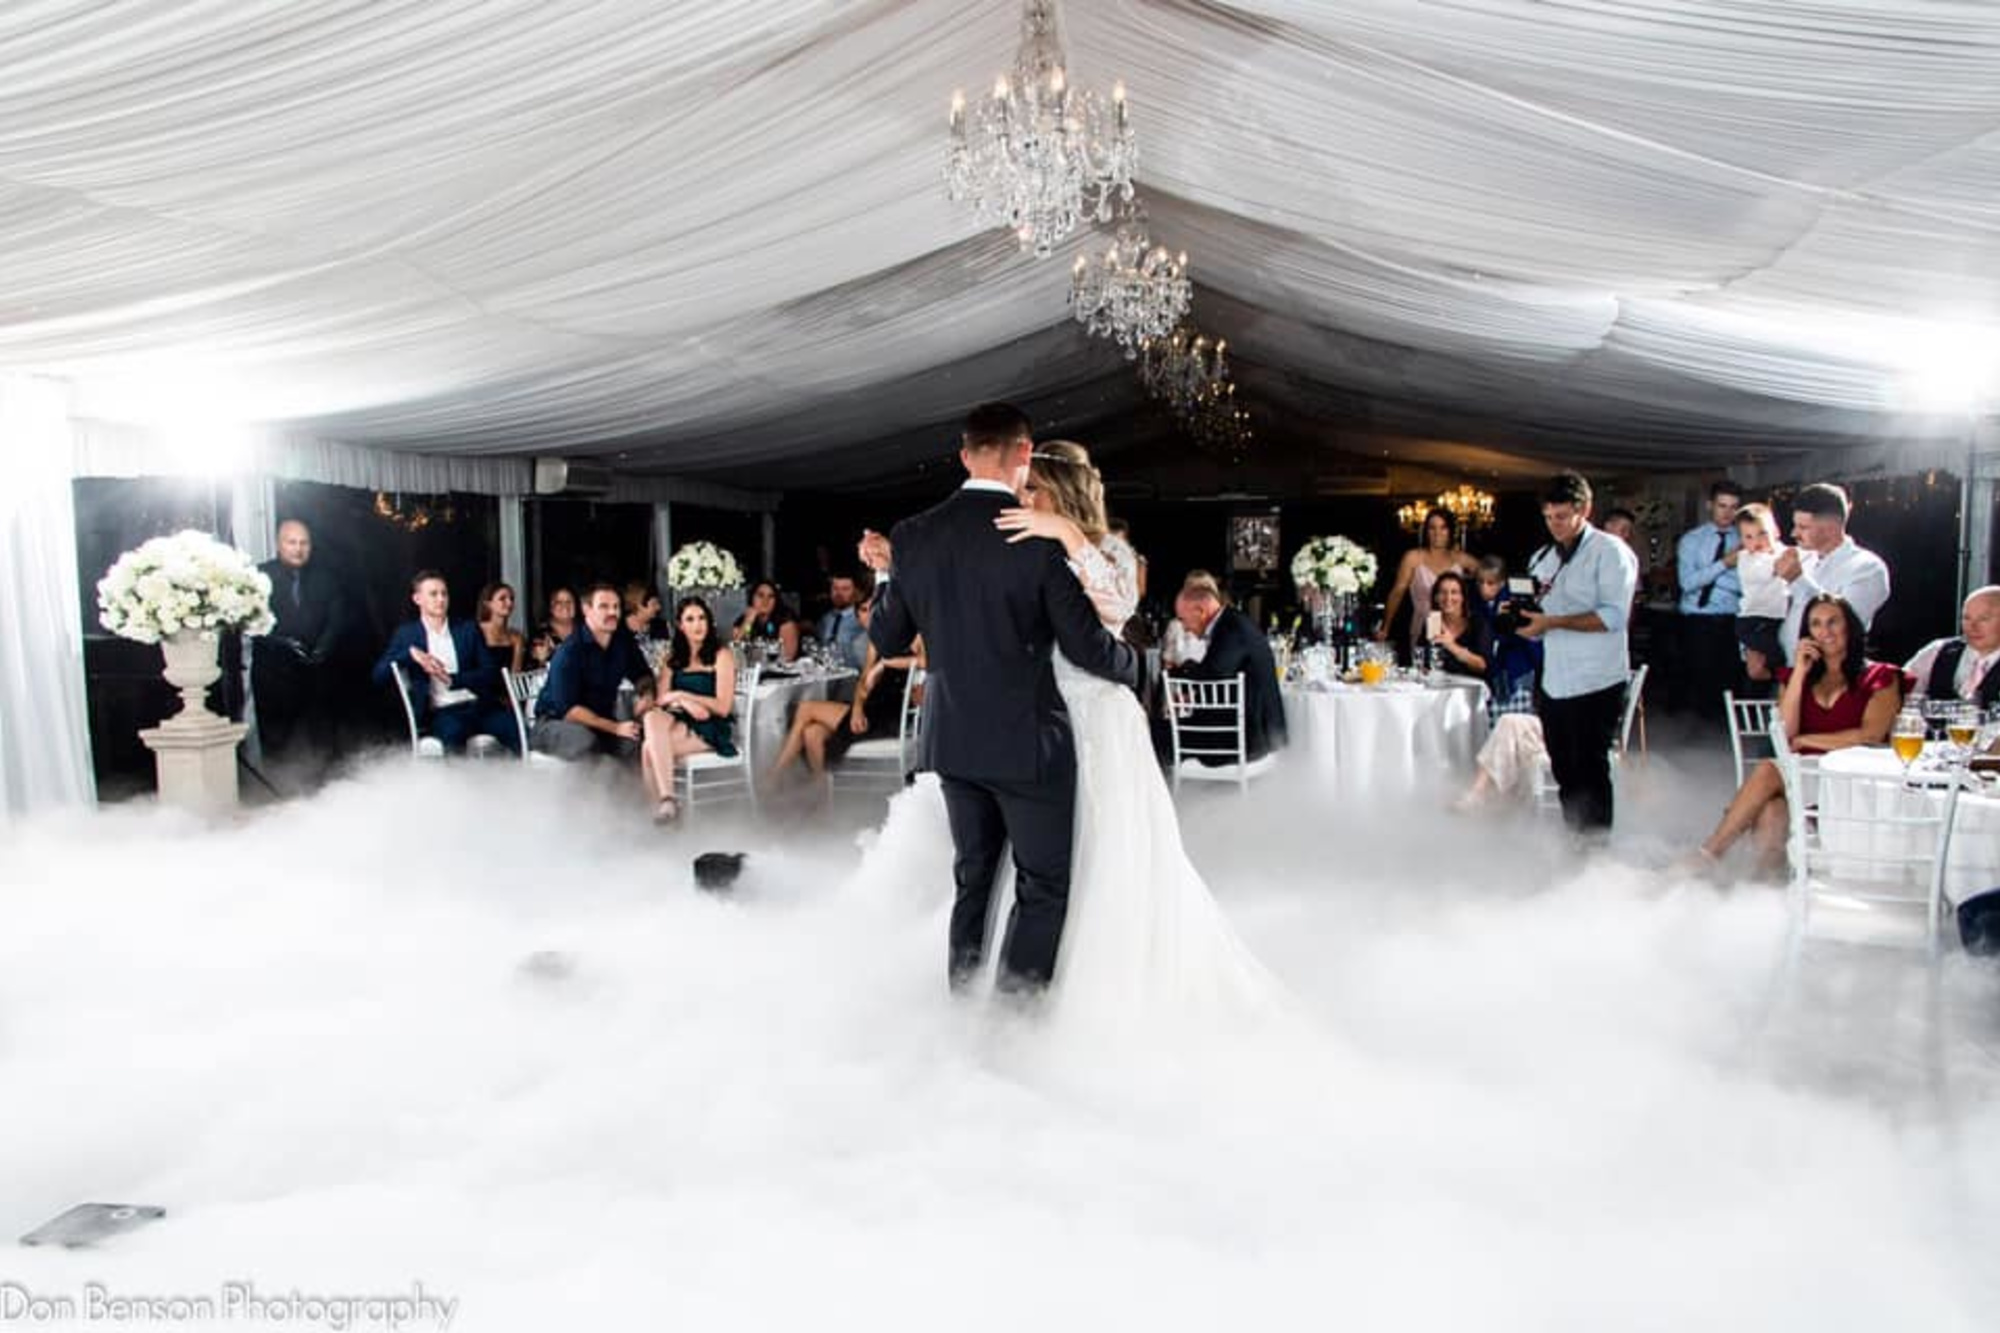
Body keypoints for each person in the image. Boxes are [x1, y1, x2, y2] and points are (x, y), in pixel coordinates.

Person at [856, 404, 1139, 994]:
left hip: (952, 740)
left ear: (965, 455)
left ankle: (962, 1004)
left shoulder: (913, 534)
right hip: (1027, 743)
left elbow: (887, 638)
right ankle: (1014, 1017)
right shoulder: (1035, 536)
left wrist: (885, 576)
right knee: (1042, 886)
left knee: (973, 878)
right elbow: (1087, 647)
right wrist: (1137, 668)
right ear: (1024, 453)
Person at [1689, 595, 1905, 878]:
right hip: (1801, 776)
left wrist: (1806, 741)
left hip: (1849, 775)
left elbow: (1871, 735)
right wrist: (1801, 672)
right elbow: (1785, 733)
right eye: (1816, 624)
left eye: (1833, 622)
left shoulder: (1880, 676)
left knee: (1769, 769)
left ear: (1850, 627)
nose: (1825, 631)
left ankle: (1708, 855)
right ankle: (1765, 888)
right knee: (1772, 811)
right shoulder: (1796, 677)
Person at [1516, 471, 1640, 836]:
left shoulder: (1611, 552)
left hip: (1598, 677)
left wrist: (1552, 622)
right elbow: (1538, 612)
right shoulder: (1541, 558)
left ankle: (1597, 851)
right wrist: (1525, 620)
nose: (1554, 525)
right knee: (1563, 767)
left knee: (1590, 767)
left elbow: (1614, 617)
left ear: (1584, 509)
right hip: (1556, 677)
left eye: (1561, 517)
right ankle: (1574, 841)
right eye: (1548, 517)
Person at [767, 593, 922, 787]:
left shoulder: (912, 634)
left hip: (890, 714)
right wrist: (857, 708)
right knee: (812, 733)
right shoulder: (876, 639)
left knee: (806, 709)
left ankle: (773, 777)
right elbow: (863, 680)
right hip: (870, 707)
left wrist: (886, 663)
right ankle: (821, 794)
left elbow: (927, 661)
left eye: (874, 609)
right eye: (864, 610)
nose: (870, 615)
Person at [371, 571, 520, 754]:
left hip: (480, 706)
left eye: (444, 593)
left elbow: (490, 672)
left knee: (515, 728)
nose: (441, 599)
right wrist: (410, 654)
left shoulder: (467, 629)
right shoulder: (407, 634)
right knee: (453, 735)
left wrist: (454, 680)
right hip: (444, 712)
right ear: (417, 599)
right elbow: (378, 675)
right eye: (433, 594)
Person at [251, 518, 352, 785]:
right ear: (278, 544)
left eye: (304, 543)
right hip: (274, 675)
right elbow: (250, 624)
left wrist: (324, 647)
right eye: (291, 542)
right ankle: (277, 793)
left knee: (322, 741)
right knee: (277, 741)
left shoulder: (327, 577)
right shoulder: (259, 577)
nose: (298, 549)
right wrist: (282, 643)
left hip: (317, 674)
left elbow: (338, 618)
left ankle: (325, 792)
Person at [1157, 571, 1287, 765]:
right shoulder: (1232, 621)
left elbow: (1214, 673)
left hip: (1248, 739)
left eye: (1183, 619)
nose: (1184, 628)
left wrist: (1180, 670)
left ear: (1200, 611)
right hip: (1247, 730)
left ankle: (1165, 785)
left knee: (1151, 733)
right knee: (1162, 730)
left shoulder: (1232, 628)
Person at [531, 584, 657, 761]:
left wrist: (647, 695)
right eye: (604, 606)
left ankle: (629, 780)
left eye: (616, 607)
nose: (612, 612)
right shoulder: (570, 651)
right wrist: (615, 728)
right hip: (554, 724)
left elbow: (643, 674)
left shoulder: (622, 643)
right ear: (586, 610)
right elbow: (569, 711)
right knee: (586, 741)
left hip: (599, 720)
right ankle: (595, 780)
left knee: (633, 738)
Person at [640, 598, 736, 822]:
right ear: (681, 626)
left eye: (702, 618)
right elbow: (661, 700)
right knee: (652, 716)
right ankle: (667, 805)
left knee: (648, 748)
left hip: (710, 726)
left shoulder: (721, 655)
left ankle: (662, 808)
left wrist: (682, 695)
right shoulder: (672, 658)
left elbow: (723, 707)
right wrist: (683, 703)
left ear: (709, 622)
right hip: (680, 719)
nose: (697, 624)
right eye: (690, 619)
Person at [1775, 482, 1891, 662]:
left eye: (1803, 527)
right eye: (1795, 525)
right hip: (1785, 670)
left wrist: (1798, 580)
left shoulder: (1868, 568)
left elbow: (1841, 623)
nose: (1793, 533)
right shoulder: (1800, 558)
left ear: (1832, 527)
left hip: (1831, 674)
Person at [1676, 480, 1744, 720]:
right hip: (1698, 618)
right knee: (1700, 678)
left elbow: (1745, 585)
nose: (1727, 513)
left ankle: (1725, 725)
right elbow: (1687, 583)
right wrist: (1724, 564)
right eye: (1722, 506)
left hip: (1732, 618)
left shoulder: (1744, 540)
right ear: (1710, 505)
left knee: (1730, 679)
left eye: (1733, 507)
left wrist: (1708, 575)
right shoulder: (1692, 540)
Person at [1377, 508, 1478, 658]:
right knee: (1425, 666)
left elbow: (1491, 577)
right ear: (1426, 531)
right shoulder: (1413, 557)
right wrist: (1385, 627)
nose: (1437, 533)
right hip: (1423, 625)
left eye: (1443, 527)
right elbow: (1397, 593)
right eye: (1432, 528)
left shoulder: (1461, 559)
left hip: (1454, 627)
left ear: (1450, 531)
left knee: (1455, 666)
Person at [1903, 585, 2000, 708]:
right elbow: (1898, 692)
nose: (1973, 627)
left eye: (1983, 619)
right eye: (1966, 618)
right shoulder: (1938, 651)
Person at [1472, 554, 1540, 712]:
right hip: (1492, 671)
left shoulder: (1515, 601)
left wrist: (1504, 620)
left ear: (1502, 583)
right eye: (1480, 582)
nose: (1484, 587)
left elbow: (1528, 637)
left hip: (1518, 668)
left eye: (1490, 583)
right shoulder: (1475, 601)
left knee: (1519, 718)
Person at [1733, 503, 1789, 682]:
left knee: (1776, 655)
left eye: (1762, 533)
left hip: (1776, 618)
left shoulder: (1782, 551)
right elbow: (1771, 569)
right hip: (1754, 622)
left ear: (1776, 532)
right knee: (1777, 656)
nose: (1756, 541)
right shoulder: (1747, 560)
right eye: (1748, 537)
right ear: (1742, 541)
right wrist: (1787, 560)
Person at [1421, 571, 1492, 680]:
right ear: (1436, 597)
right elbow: (1425, 661)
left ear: (1463, 597)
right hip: (1439, 684)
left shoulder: (1478, 623)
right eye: (1443, 592)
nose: (1448, 598)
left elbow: (1482, 666)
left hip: (1471, 686)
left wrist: (1452, 646)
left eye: (1454, 592)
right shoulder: (1433, 622)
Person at [733, 580, 801, 663]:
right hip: (753, 668)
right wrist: (748, 621)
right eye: (760, 595)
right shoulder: (744, 620)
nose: (765, 601)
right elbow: (734, 652)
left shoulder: (785, 620)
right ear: (752, 598)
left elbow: (788, 656)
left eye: (771, 596)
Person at [815, 570, 870, 669]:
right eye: (835, 588)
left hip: (855, 673)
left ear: (856, 592)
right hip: (828, 673)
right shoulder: (825, 619)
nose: (838, 594)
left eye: (845, 589)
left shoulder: (863, 618)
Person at [475, 581, 526, 675]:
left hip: (507, 683)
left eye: (511, 599)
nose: (509, 603)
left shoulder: (516, 637)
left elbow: (515, 673)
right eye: (502, 598)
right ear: (488, 604)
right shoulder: (475, 632)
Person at [530, 586, 577, 666]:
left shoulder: (586, 630)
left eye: (569, 601)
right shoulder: (541, 635)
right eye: (559, 602)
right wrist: (541, 661)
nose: (565, 605)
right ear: (550, 607)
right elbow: (536, 668)